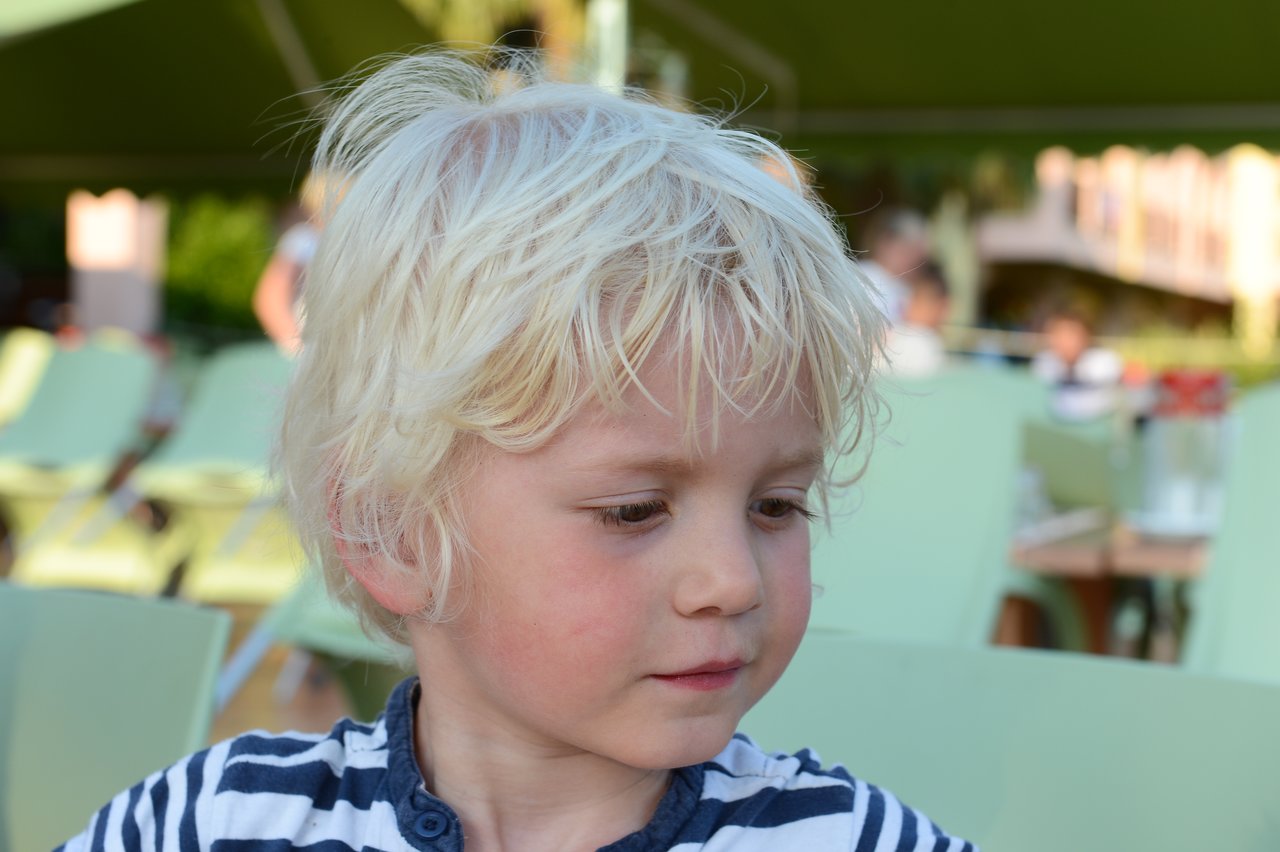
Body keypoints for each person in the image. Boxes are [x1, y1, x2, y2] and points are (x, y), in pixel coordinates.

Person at [60, 51, 975, 852]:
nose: (733, 581)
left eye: (776, 504)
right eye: (634, 510)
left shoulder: (846, 838)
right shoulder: (216, 823)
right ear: (392, 531)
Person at [252, 172, 325, 354]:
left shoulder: (314, 240)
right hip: (310, 354)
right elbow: (269, 297)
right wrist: (298, 348)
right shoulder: (304, 239)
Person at [1031, 308, 1123, 420]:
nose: (1063, 341)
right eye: (1058, 335)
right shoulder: (1044, 362)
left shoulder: (1104, 361)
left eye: (1070, 335)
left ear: (1085, 336)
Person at [858, 208, 930, 324]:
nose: (917, 262)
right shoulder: (862, 277)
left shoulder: (906, 287)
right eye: (910, 250)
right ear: (887, 242)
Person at [884, 259, 950, 377]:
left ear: (941, 306)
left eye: (916, 298)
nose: (906, 304)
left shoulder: (921, 343)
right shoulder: (919, 342)